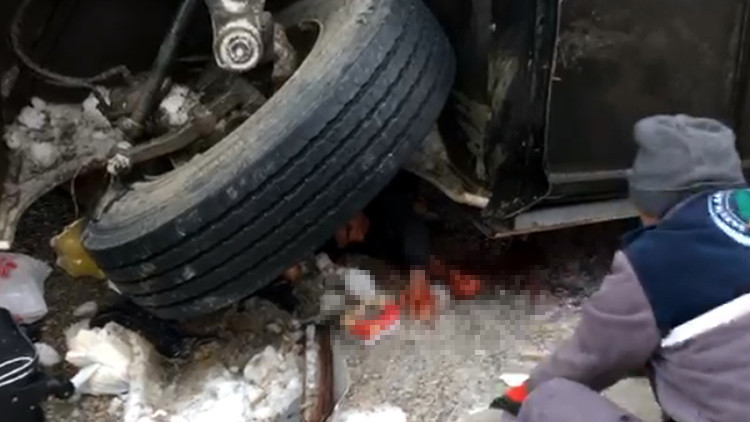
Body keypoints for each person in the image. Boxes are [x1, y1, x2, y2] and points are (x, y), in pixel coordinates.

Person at [468, 115, 750, 422]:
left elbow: (587, 359)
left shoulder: (656, 262)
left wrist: (516, 401)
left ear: (650, 203)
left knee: (549, 401)